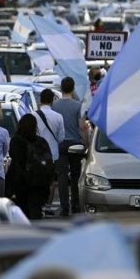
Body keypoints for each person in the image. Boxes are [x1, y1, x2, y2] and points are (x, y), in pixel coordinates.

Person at [52, 77, 88, 215]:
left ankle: (64, 207)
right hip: (75, 144)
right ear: (73, 89)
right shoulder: (78, 105)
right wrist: (87, 144)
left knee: (61, 177)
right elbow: (82, 127)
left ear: (61, 88)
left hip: (60, 144)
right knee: (75, 175)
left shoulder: (55, 106)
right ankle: (76, 205)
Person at [7, 115, 53, 220]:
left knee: (22, 214)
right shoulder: (42, 142)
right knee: (36, 213)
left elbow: (16, 160)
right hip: (39, 184)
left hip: (21, 184)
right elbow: (48, 163)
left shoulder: (16, 141)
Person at [31, 89, 66, 213]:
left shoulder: (33, 115)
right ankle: (47, 205)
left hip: (36, 154)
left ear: (40, 100)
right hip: (53, 154)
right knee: (51, 181)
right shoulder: (58, 117)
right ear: (52, 101)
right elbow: (61, 137)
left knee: (37, 179)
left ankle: (38, 204)